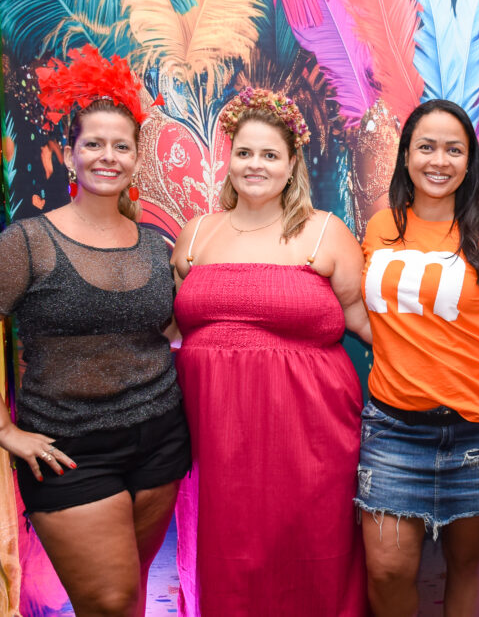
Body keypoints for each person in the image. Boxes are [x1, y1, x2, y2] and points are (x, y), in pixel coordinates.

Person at [0, 45, 189, 615]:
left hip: (160, 441)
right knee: (109, 600)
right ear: (71, 153)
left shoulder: (156, 246)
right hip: (69, 453)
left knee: (131, 593)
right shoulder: (29, 242)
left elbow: (173, 332)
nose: (108, 157)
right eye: (93, 144)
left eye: (121, 146)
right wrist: (5, 431)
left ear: (136, 158)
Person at [170, 87, 369, 615]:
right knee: (227, 559)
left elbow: (364, 323)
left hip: (311, 435)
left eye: (269, 154)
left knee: (310, 552)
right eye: (244, 152)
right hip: (214, 438)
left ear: (291, 164)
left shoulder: (325, 232)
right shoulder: (196, 235)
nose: (254, 165)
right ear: (229, 159)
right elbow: (166, 327)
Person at [356, 99, 479, 616]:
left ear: (470, 160)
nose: (439, 160)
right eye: (426, 147)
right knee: (387, 571)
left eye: (454, 150)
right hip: (393, 429)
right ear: (406, 155)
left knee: (466, 565)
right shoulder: (380, 227)